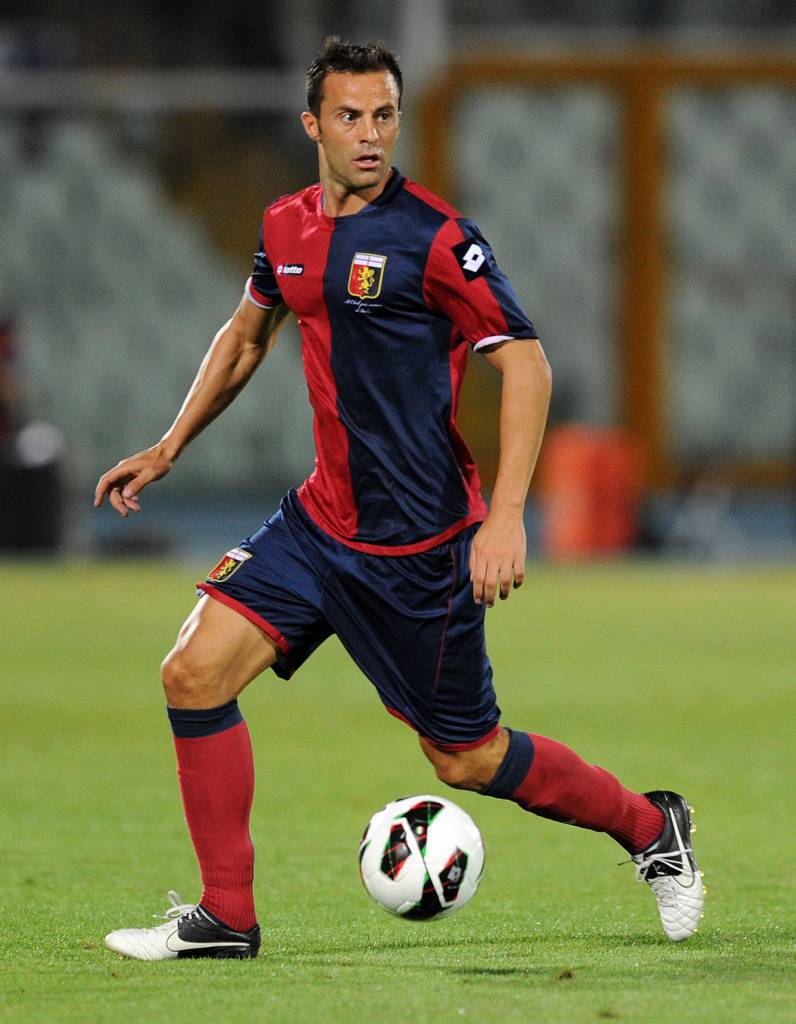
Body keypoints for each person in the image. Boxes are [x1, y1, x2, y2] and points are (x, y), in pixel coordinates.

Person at [96, 38, 703, 961]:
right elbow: (247, 335)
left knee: (468, 757)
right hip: (319, 524)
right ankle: (226, 918)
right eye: (350, 116)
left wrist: (506, 516)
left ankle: (652, 830)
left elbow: (527, 364)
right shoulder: (285, 227)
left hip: (418, 551)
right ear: (313, 125)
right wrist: (170, 445)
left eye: (384, 115)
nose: (370, 135)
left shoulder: (436, 238)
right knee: (193, 673)